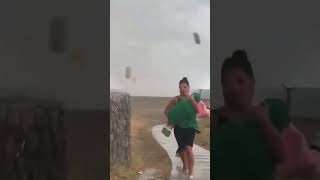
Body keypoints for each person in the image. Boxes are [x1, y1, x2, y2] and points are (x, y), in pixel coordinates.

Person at [212, 50, 285, 180]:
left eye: (240, 81)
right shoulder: (215, 118)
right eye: (227, 83)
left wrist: (264, 122)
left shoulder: (265, 114)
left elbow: (282, 156)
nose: (234, 89)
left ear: (252, 83)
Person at [164, 77, 199, 179]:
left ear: (188, 88)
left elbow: (197, 110)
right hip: (178, 128)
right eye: (180, 87)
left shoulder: (191, 99)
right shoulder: (176, 99)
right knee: (182, 150)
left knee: (189, 148)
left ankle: (191, 172)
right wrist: (172, 120)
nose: (182, 89)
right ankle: (185, 167)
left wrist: (192, 101)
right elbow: (166, 111)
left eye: (184, 87)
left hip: (190, 127)